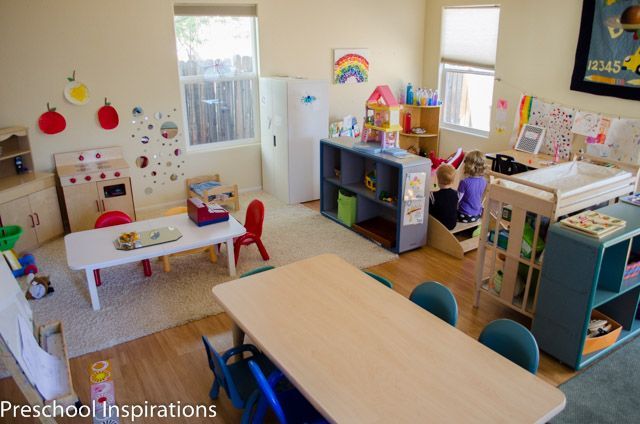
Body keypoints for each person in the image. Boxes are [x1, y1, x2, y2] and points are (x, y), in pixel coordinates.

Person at [457, 150, 487, 223]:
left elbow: (457, 199)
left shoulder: (464, 182)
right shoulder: (484, 180)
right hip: (477, 214)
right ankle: (472, 229)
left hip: (464, 215)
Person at [429, 163, 458, 230]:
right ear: (452, 181)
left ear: (438, 180)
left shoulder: (433, 195)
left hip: (438, 225)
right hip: (452, 225)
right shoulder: (455, 194)